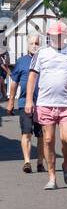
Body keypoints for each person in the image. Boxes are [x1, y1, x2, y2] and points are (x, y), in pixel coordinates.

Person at [25, 21, 67, 190]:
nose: (57, 37)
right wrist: (29, 100)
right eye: (54, 35)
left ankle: (66, 164)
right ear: (49, 36)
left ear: (65, 36)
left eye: (60, 35)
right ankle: (52, 177)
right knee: (49, 140)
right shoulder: (41, 53)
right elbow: (32, 77)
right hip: (45, 103)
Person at [6, 36, 45, 173]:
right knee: (26, 132)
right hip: (24, 103)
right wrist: (11, 101)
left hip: (43, 104)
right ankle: (27, 162)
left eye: (37, 43)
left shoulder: (45, 60)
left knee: (42, 135)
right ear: (27, 45)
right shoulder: (21, 62)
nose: (34, 45)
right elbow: (14, 82)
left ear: (41, 45)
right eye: (32, 43)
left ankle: (40, 162)